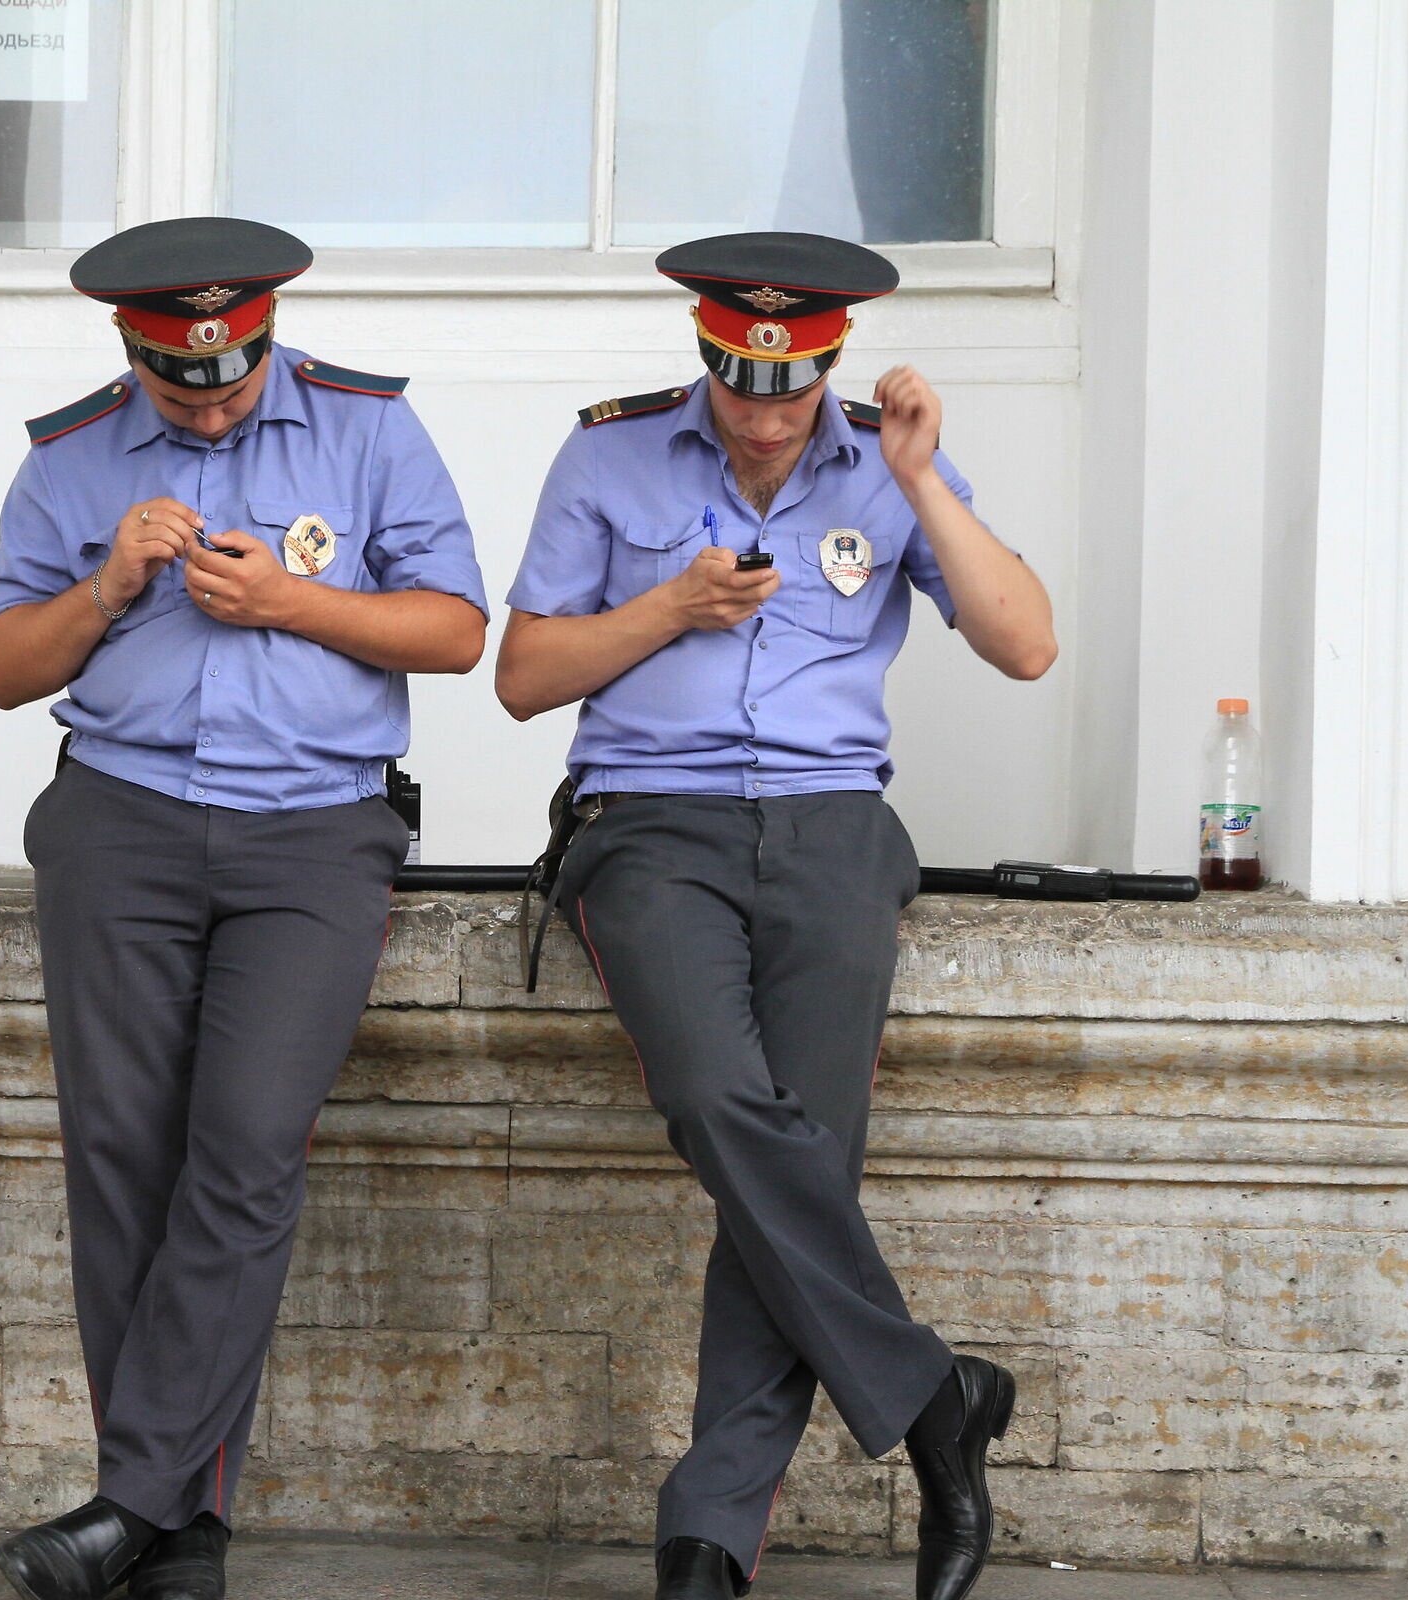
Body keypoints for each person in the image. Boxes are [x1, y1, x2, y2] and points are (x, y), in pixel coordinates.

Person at [495, 232, 1057, 1600]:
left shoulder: (885, 460)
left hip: (831, 832)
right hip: (653, 825)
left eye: (790, 389)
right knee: (714, 1099)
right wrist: (667, 609)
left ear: (829, 369)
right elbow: (520, 676)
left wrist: (923, 479)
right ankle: (933, 1398)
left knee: (800, 1155)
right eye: (738, 385)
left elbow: (1026, 640)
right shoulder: (609, 457)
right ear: (704, 358)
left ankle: (707, 1539)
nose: (760, 416)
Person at [0, 216, 488, 1600]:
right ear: (132, 350)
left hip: (314, 836)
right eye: (180, 376)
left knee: (248, 1143)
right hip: (120, 824)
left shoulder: (369, 431)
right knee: (122, 1161)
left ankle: (124, 1505)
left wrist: (293, 603)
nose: (213, 395)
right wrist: (108, 582)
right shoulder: (74, 456)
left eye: (235, 367)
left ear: (264, 330)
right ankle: (180, 1537)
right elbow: (2, 671)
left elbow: (456, 629)